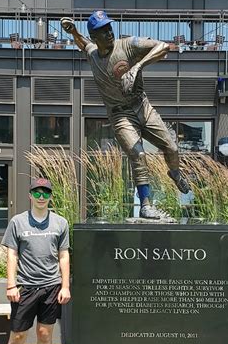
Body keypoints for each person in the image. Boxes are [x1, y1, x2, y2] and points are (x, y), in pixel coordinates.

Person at [61, 11, 190, 220]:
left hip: (142, 107)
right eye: (103, 31)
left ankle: (174, 173)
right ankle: (146, 205)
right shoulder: (93, 53)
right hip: (120, 115)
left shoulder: (128, 45)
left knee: (172, 148)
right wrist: (74, 31)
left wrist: (137, 66)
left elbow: (164, 46)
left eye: (109, 28)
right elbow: (83, 44)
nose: (109, 33)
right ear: (95, 37)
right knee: (138, 154)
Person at [0, 177, 71, 344]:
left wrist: (65, 286)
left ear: (50, 196)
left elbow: (63, 255)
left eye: (45, 192)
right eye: (37, 192)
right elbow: (12, 255)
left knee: (45, 334)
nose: (41, 196)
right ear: (30, 196)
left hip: (51, 287)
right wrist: (11, 284)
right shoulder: (17, 222)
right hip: (24, 287)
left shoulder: (60, 223)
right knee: (17, 336)